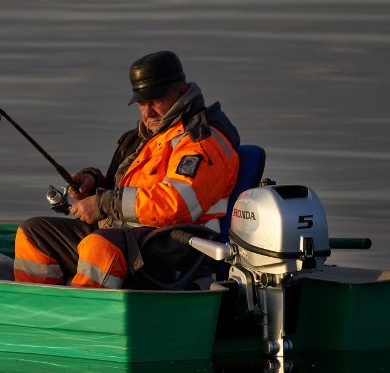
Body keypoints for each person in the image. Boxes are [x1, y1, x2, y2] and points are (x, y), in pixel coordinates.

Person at [13, 51, 240, 289]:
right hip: (127, 234)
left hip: (174, 245)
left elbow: (176, 205)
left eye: (155, 101)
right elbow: (126, 189)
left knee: (99, 247)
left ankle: (83, 318)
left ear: (181, 91)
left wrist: (103, 204)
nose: (147, 112)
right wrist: (94, 183)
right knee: (33, 233)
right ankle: (35, 310)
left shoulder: (201, 142)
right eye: (142, 103)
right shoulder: (147, 136)